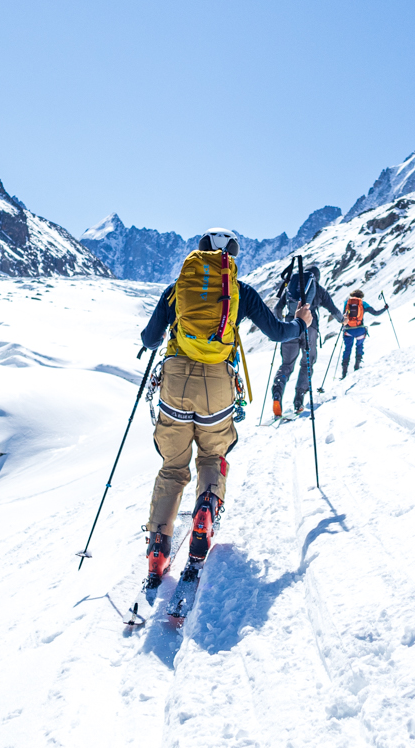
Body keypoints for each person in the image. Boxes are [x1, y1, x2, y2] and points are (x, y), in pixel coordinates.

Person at [137, 228, 309, 596]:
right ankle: (204, 515)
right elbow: (278, 331)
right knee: (212, 456)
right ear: (231, 254)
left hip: (175, 382)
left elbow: (149, 339)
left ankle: (157, 548)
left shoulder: (178, 289)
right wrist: (302, 323)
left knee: (172, 467)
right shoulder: (240, 291)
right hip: (218, 385)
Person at [269, 255, 338, 418]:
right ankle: (299, 399)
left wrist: (281, 324)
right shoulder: (318, 289)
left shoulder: (290, 288)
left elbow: (277, 309)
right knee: (307, 364)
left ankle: (277, 394)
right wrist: (343, 321)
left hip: (289, 328)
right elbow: (332, 309)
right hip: (310, 329)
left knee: (286, 364)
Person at [336, 286, 388, 378]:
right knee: (359, 346)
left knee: (347, 349)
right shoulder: (363, 303)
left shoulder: (347, 303)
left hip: (348, 331)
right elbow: (375, 313)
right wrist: (385, 308)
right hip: (360, 330)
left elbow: (344, 315)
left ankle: (344, 372)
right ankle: (357, 366)